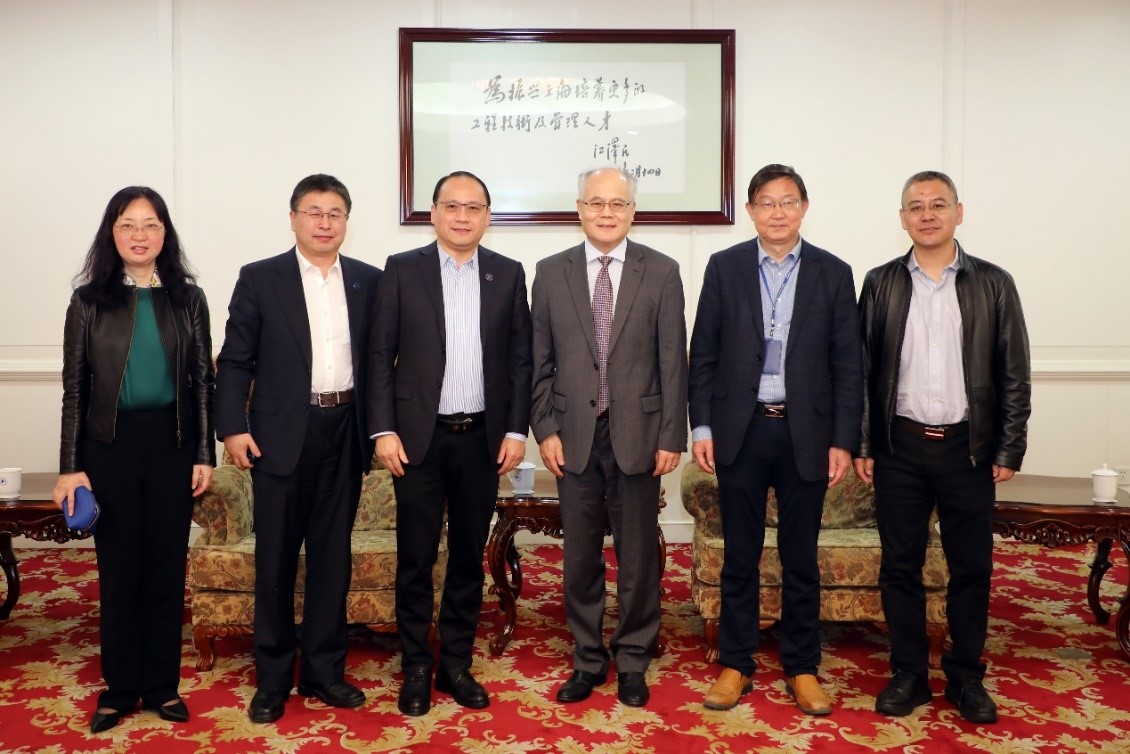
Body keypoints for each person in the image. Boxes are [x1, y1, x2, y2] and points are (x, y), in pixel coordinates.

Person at [855, 170, 1030, 724]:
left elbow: (1014, 372)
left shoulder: (993, 283)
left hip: (967, 449)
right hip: (899, 447)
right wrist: (864, 443)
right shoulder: (881, 283)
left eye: (937, 204)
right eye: (915, 206)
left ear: (958, 211)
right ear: (902, 218)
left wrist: (1009, 446)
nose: (926, 214)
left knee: (971, 567)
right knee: (900, 566)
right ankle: (908, 674)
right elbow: (862, 373)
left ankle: (965, 676)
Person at [689, 164, 862, 716]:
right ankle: (736, 663)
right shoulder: (725, 267)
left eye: (788, 201)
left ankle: (802, 666)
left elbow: (848, 364)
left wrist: (844, 440)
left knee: (799, 555)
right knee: (740, 554)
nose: (778, 212)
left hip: (805, 432)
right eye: (766, 202)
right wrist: (702, 426)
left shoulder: (833, 272)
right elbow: (703, 353)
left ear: (804, 208)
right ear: (751, 210)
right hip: (740, 429)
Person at [214, 174, 382, 723]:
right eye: (314, 212)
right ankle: (271, 680)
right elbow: (235, 360)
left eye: (335, 214)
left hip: (345, 429)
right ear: (293, 219)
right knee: (276, 561)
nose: (324, 223)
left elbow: (382, 362)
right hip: (280, 435)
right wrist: (232, 427)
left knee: (333, 559)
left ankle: (324, 673)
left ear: (346, 221)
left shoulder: (368, 281)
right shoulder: (260, 278)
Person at [369, 170, 532, 716]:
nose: (463, 217)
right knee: (416, 558)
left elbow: (520, 361)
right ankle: (416, 665)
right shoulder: (402, 269)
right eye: (452, 206)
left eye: (474, 208)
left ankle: (456, 664)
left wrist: (515, 430)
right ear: (434, 212)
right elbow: (379, 355)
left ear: (487, 216)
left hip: (481, 439)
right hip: (418, 440)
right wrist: (384, 429)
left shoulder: (508, 273)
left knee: (467, 557)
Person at [53, 186, 215, 733]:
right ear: (112, 233)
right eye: (127, 225)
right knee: (120, 572)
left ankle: (162, 687)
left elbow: (203, 383)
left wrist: (204, 453)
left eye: (150, 225)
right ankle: (120, 688)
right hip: (110, 448)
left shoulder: (188, 299)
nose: (139, 235)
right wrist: (70, 466)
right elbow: (75, 389)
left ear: (165, 233)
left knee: (167, 568)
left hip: (172, 445)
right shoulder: (88, 301)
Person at [531, 166, 687, 708]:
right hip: (572, 435)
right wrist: (545, 429)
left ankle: (634, 657)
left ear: (632, 212)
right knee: (579, 557)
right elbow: (539, 363)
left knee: (637, 555)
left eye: (617, 204)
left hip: (639, 434)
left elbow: (674, 362)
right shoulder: (550, 273)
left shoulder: (661, 271)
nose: (606, 212)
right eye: (595, 203)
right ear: (579, 209)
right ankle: (587, 658)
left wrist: (671, 435)